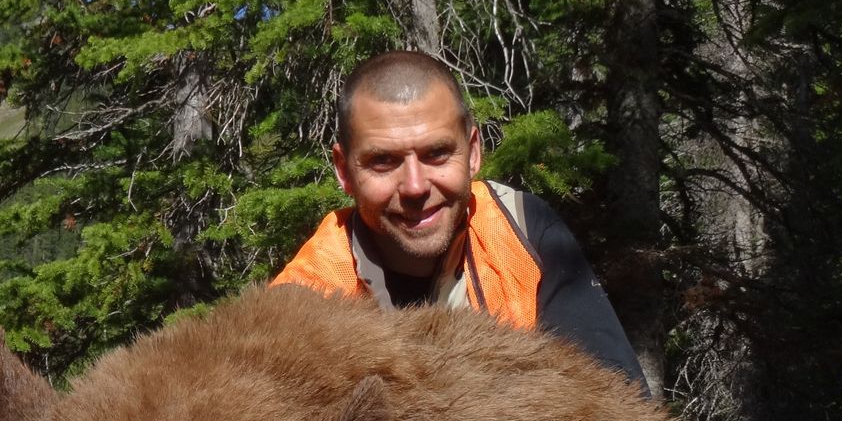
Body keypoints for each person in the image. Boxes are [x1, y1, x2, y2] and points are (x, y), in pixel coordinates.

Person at [272, 51, 649, 394]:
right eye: (383, 161)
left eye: (437, 153)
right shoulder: (303, 300)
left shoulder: (522, 231)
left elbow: (619, 408)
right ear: (344, 171)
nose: (416, 186)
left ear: (472, 153)